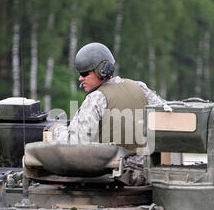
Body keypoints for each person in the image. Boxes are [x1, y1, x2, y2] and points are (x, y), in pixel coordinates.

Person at [50, 42, 167, 185]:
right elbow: (166, 114)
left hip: (112, 179)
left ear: (101, 71)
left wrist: (56, 130)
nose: (80, 78)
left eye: (84, 73)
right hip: (145, 176)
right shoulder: (139, 87)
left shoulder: (96, 98)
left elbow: (75, 144)